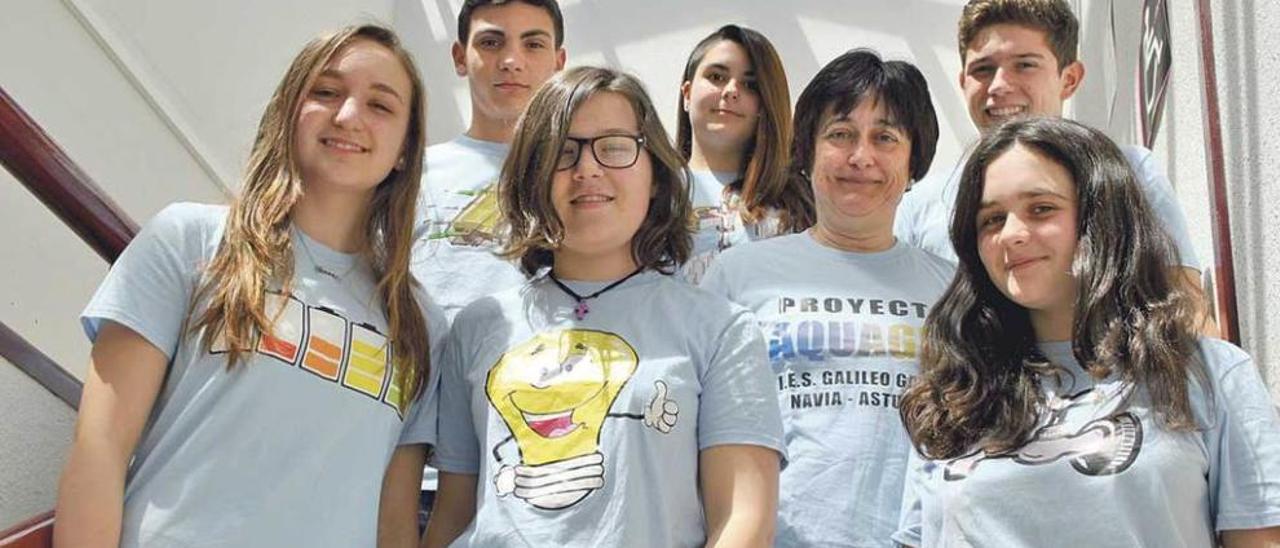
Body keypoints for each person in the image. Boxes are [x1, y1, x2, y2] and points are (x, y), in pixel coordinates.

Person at [53, 24, 445, 548]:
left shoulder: (420, 323)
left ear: (404, 149)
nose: (348, 116)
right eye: (326, 92)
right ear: (289, 110)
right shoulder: (188, 239)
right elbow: (99, 450)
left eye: (381, 105)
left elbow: (392, 522)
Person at [424, 66, 784, 547]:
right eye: (563, 152)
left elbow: (743, 519)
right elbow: (455, 512)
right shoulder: (478, 326)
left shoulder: (720, 329)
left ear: (655, 172)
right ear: (532, 176)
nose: (587, 169)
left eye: (614, 147)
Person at [895, 117, 1280, 547]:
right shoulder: (953, 393)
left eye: (1041, 209)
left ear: (1101, 217)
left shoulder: (1209, 373)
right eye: (991, 219)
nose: (1012, 235)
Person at [701, 49, 952, 548]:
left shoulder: (952, 292)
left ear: (914, 159)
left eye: (885, 137)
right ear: (807, 152)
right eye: (840, 134)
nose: (861, 157)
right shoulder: (740, 275)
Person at [893, 0, 1218, 336]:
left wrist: (1219, 381)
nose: (1000, 85)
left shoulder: (1131, 173)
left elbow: (1187, 311)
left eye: (1024, 65)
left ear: (1070, 79)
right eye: (983, 69)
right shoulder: (919, 206)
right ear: (963, 82)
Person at [412, 0, 566, 320]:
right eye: (491, 43)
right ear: (460, 57)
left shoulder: (584, 175)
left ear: (559, 61)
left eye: (533, 44)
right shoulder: (415, 173)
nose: (511, 61)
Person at [675, 24, 813, 283]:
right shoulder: (648, 189)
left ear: (766, 103)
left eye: (750, 84)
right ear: (687, 94)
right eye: (717, 77)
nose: (731, 91)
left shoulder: (799, 199)